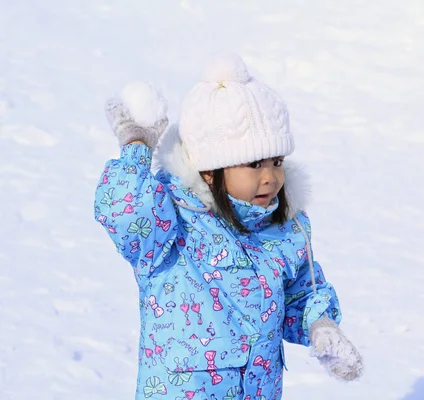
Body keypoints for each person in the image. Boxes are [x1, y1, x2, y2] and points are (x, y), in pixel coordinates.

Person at [94, 54, 362, 400]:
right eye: (254, 163)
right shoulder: (173, 222)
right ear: (210, 170)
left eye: (277, 161)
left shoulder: (284, 228)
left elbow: (300, 290)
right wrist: (136, 148)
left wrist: (319, 323)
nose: (270, 177)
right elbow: (124, 213)